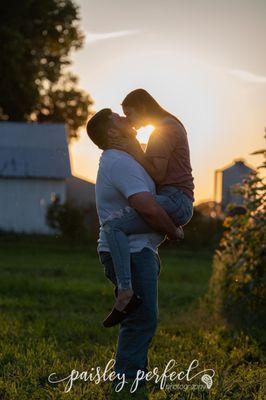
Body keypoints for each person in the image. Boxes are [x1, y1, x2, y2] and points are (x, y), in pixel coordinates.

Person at [86, 108, 180, 384]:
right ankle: (127, 381)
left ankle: (132, 376)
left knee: (142, 317)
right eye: (119, 117)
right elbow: (146, 207)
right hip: (130, 250)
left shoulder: (126, 158)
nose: (127, 118)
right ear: (113, 132)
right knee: (141, 319)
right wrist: (173, 230)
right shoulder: (119, 163)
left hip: (138, 249)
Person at [101, 89, 194, 327]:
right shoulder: (167, 126)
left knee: (113, 226)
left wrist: (133, 150)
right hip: (176, 199)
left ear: (143, 107)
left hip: (176, 200)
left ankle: (125, 292)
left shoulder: (163, 130)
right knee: (118, 225)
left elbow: (159, 174)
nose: (130, 121)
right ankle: (127, 291)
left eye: (130, 114)